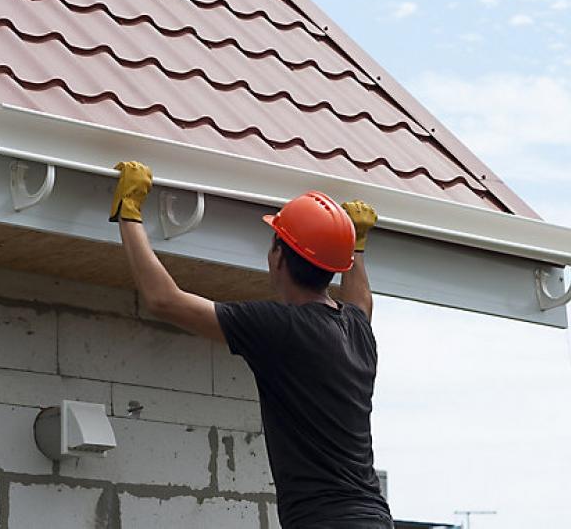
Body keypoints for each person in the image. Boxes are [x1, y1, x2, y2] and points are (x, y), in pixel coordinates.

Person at [112, 161, 393, 529]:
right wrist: (354, 244)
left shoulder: (281, 328)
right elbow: (361, 300)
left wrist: (129, 213)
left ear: (278, 257)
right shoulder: (357, 329)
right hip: (373, 517)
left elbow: (165, 301)